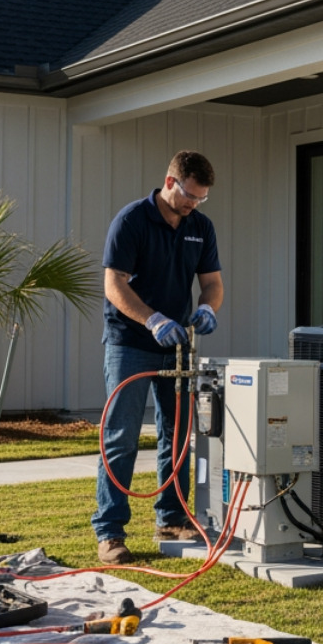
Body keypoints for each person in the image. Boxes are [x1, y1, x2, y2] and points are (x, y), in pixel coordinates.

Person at [93, 150, 223, 565]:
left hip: (176, 347)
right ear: (170, 183)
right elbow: (114, 284)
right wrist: (151, 320)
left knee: (178, 433)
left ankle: (172, 517)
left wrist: (207, 309)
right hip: (130, 343)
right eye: (189, 195)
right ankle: (110, 532)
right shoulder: (131, 221)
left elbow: (213, 283)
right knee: (121, 437)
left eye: (201, 199)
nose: (193, 204)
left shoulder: (200, 227)